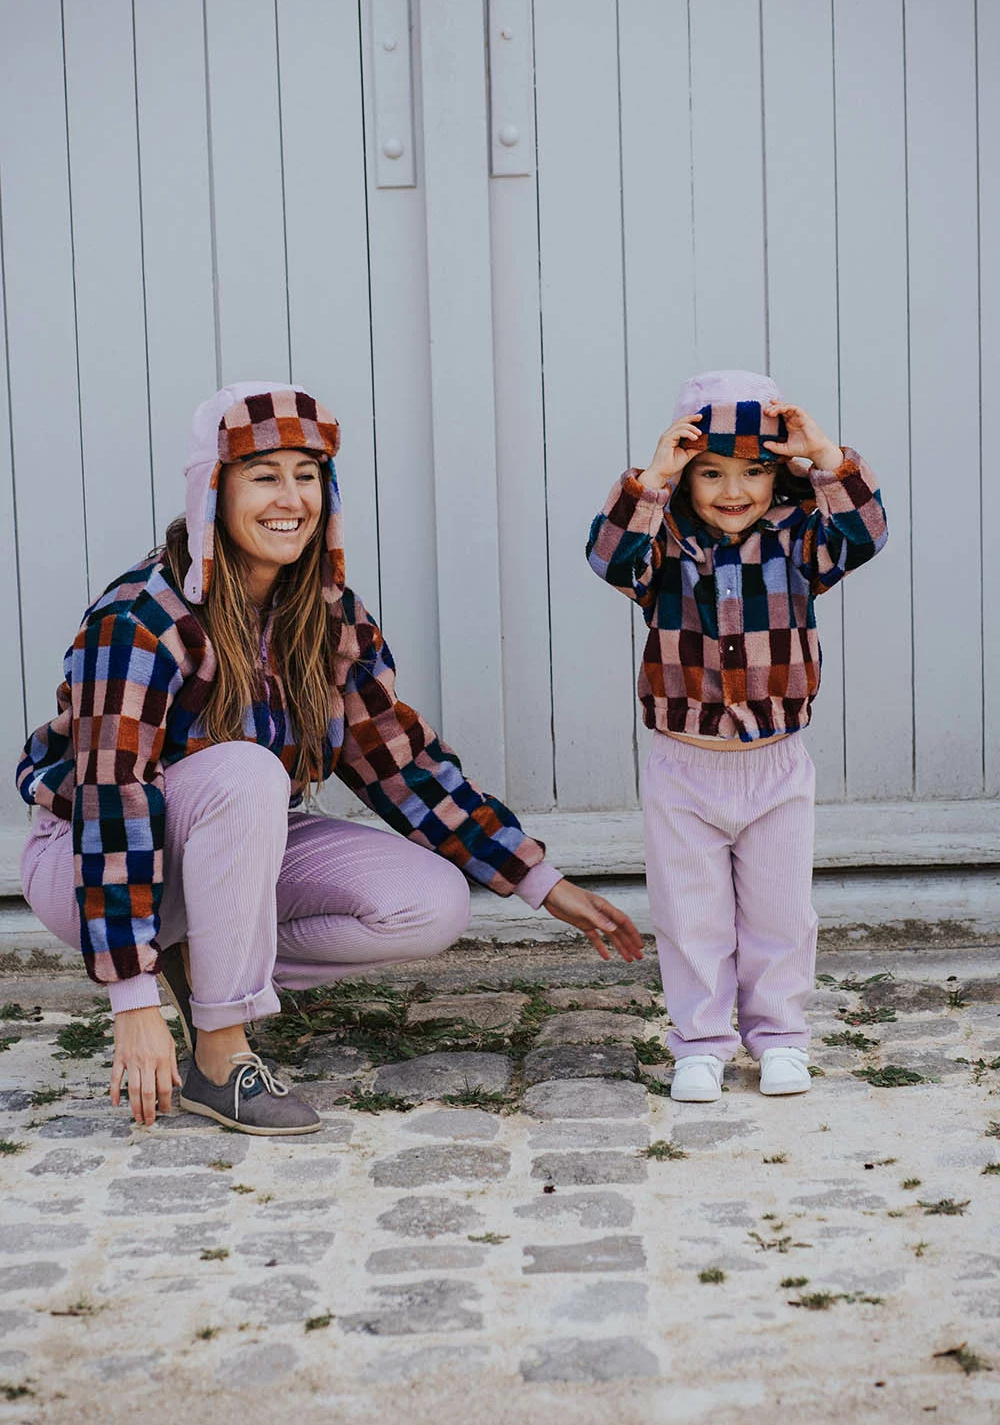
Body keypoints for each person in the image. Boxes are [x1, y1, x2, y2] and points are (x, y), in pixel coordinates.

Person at [18, 381, 643, 1135]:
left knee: (431, 904)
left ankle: (206, 967)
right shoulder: (141, 619)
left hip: (237, 846)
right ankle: (220, 1057)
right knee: (249, 769)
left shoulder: (328, 614)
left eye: (307, 476)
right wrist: (131, 998)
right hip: (85, 857)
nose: (291, 499)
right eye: (264, 476)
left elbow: (403, 767)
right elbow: (110, 797)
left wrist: (541, 882)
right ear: (212, 489)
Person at [586, 370, 887, 1101]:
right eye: (710, 472)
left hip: (775, 767)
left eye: (753, 471)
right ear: (686, 477)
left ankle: (780, 1036)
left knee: (781, 913)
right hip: (683, 768)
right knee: (691, 916)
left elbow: (864, 535)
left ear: (778, 475)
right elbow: (608, 557)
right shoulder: (662, 547)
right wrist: (652, 479)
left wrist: (827, 458)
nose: (733, 490)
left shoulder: (799, 541)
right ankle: (700, 1043)